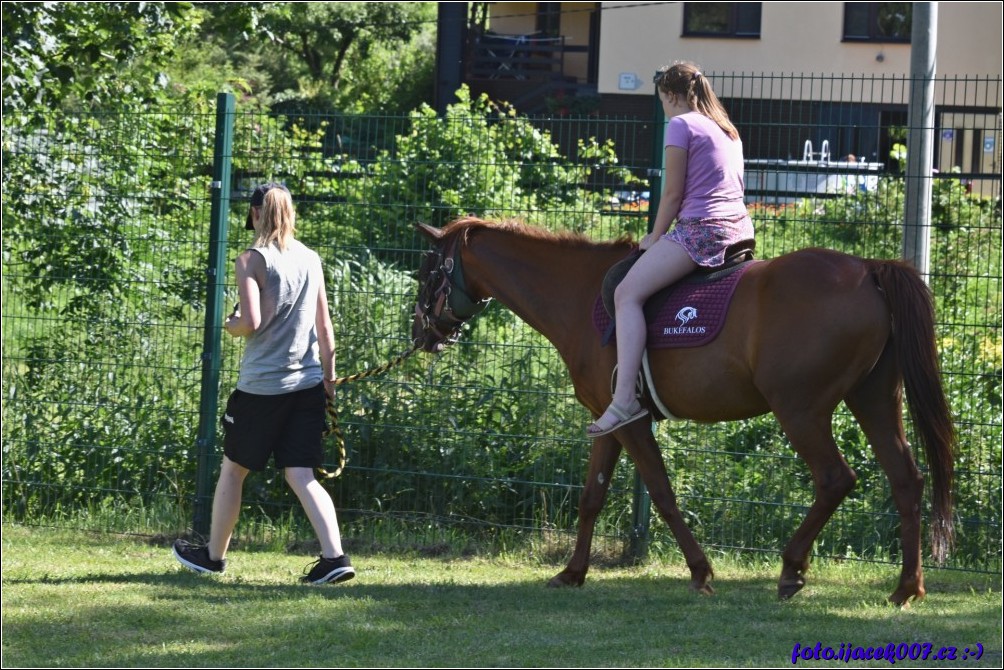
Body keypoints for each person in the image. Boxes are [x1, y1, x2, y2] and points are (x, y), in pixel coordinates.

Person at [173, 182, 356, 585]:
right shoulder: (311, 258)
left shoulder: (251, 259)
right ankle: (335, 557)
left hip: (261, 389)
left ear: (256, 214)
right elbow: (325, 328)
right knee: (301, 473)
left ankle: (212, 557)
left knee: (234, 469)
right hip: (308, 383)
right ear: (290, 213)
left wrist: (230, 324)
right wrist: (328, 381)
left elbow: (250, 322)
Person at [587, 62, 754, 437]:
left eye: (662, 99)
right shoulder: (727, 129)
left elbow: (674, 193)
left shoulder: (681, 125)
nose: (663, 106)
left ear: (670, 94)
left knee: (627, 293)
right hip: (740, 230)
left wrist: (656, 236)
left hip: (702, 232)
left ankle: (624, 397)